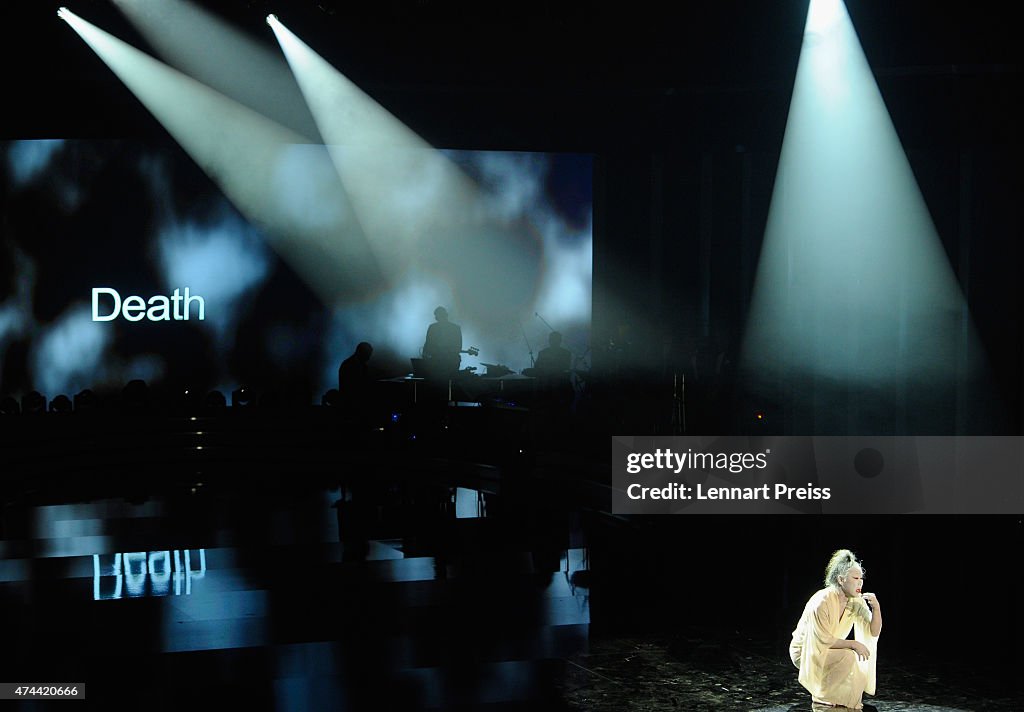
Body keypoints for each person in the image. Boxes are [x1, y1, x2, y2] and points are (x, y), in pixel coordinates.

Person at [790, 549, 883, 710]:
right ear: (841, 579)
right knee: (849, 656)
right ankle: (820, 695)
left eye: (861, 578)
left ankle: (838, 697)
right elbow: (822, 640)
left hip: (830, 650)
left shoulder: (855, 601)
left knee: (857, 668)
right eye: (855, 578)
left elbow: (873, 632)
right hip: (806, 651)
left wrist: (876, 608)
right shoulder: (822, 601)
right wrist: (853, 644)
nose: (860, 582)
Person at [422, 306, 462, 379]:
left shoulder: (433, 328)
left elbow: (458, 347)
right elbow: (427, 345)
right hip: (439, 362)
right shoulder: (455, 328)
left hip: (447, 362)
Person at [338, 342, 374, 414]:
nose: (369, 357)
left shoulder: (362, 366)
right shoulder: (347, 365)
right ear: (360, 352)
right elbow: (349, 387)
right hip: (349, 404)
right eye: (367, 354)